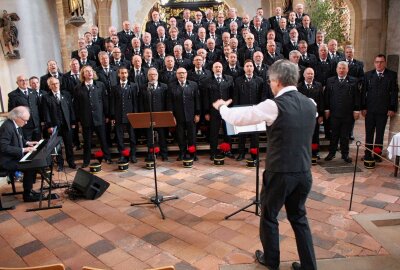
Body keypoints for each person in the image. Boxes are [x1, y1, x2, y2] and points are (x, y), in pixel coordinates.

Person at [213, 60, 317, 270]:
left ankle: (271, 260)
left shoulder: (273, 105)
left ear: (277, 81)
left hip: (280, 173)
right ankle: (309, 266)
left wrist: (222, 107)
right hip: (304, 172)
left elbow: (238, 117)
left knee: (269, 216)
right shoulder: (310, 103)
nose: (270, 85)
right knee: (299, 217)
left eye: (270, 81)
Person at [73, 65, 112, 167]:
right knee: (87, 142)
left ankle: (107, 158)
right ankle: (86, 161)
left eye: (91, 71)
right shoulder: (78, 88)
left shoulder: (100, 85)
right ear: (83, 75)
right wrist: (78, 119)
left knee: (103, 140)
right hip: (86, 120)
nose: (89, 73)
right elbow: (76, 105)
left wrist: (107, 115)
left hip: (100, 118)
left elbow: (105, 101)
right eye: (86, 71)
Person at [362, 54, 399, 162]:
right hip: (370, 110)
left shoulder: (391, 75)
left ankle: (377, 154)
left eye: (381, 62)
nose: (379, 64)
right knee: (369, 133)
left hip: (383, 110)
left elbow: (394, 93)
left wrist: (392, 108)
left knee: (379, 134)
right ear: (374, 63)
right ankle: (368, 154)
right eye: (377, 62)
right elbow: (364, 92)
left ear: (385, 63)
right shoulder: (368, 75)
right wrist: (363, 107)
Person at [0, 106, 40, 202]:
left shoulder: (14, 124)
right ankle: (27, 195)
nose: (26, 123)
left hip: (12, 157)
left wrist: (27, 143)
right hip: (6, 161)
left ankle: (28, 190)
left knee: (32, 163)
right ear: (17, 117)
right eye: (25, 120)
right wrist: (24, 149)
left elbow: (19, 138)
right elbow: (3, 147)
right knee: (30, 165)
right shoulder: (7, 127)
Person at [324, 61, 360, 163]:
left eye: (343, 68)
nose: (341, 70)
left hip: (347, 114)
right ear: (336, 69)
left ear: (347, 70)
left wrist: (356, 110)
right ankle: (331, 153)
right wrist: (326, 109)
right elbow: (327, 96)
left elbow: (357, 97)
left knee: (345, 136)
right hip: (334, 113)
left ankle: (345, 155)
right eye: (339, 68)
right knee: (334, 135)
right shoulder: (330, 81)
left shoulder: (354, 81)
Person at [42, 77, 76, 170]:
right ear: (49, 86)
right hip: (54, 126)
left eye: (57, 83)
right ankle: (60, 164)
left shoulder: (66, 94)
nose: (55, 85)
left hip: (66, 124)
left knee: (69, 144)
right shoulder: (46, 97)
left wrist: (73, 122)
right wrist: (49, 126)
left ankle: (71, 162)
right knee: (57, 146)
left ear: (59, 84)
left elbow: (71, 109)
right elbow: (46, 113)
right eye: (53, 84)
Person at [167, 68, 200, 160]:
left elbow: (197, 100)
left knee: (192, 136)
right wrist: (172, 116)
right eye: (179, 73)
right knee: (180, 136)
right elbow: (169, 102)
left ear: (186, 74)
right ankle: (182, 153)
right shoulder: (171, 86)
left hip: (191, 115)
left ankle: (192, 153)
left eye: (183, 73)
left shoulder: (193, 85)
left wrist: (197, 114)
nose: (182, 75)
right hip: (178, 116)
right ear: (176, 75)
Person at [233, 60, 263, 161]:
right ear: (244, 68)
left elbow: (262, 96)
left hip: (255, 111)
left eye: (251, 66)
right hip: (242, 111)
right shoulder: (238, 80)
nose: (249, 68)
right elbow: (236, 97)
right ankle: (241, 153)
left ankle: (254, 154)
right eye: (247, 66)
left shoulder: (259, 80)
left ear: (253, 68)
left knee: (255, 135)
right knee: (242, 134)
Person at [138, 68, 169, 161]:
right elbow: (141, 102)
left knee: (162, 136)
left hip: (161, 116)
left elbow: (167, 102)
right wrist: (142, 115)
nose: (153, 77)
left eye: (154, 75)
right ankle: (151, 154)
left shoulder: (164, 87)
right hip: (148, 116)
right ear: (147, 76)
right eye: (150, 75)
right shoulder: (143, 87)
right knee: (149, 137)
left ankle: (164, 154)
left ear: (157, 76)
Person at [110, 67, 138, 163]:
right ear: (119, 75)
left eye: (125, 73)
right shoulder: (114, 88)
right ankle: (122, 155)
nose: (124, 75)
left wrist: (135, 115)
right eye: (122, 73)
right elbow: (112, 103)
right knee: (119, 137)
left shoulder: (133, 86)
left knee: (133, 137)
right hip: (118, 116)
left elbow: (135, 102)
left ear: (128, 74)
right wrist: (113, 116)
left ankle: (133, 154)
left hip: (131, 116)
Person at [8, 75, 42, 141]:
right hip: (24, 127)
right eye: (21, 80)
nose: (24, 82)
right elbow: (11, 112)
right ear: (17, 83)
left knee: (39, 146)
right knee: (28, 147)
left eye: (26, 80)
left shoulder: (33, 91)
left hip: (37, 125)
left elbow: (38, 107)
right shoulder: (13, 95)